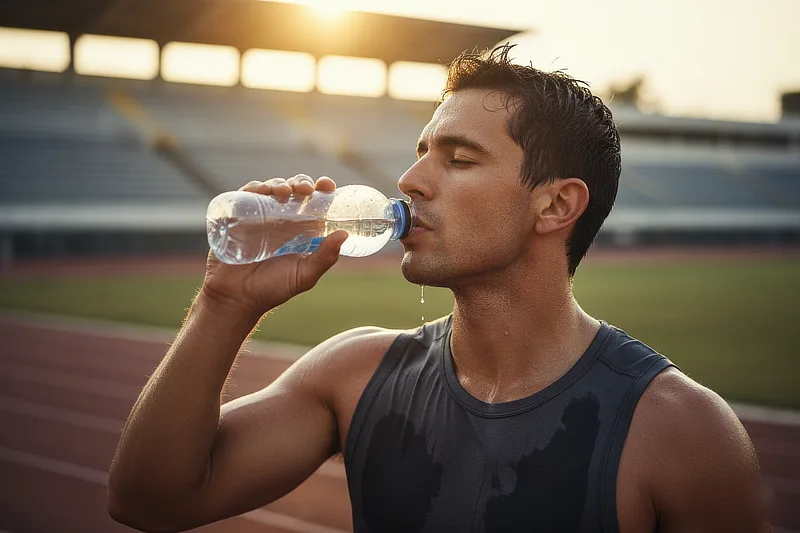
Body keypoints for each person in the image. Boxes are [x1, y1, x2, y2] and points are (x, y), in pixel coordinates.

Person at [108, 45, 770, 532]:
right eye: (422, 152)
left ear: (555, 205)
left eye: (458, 159)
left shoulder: (682, 431)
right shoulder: (353, 372)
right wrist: (226, 304)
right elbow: (149, 499)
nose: (411, 179)